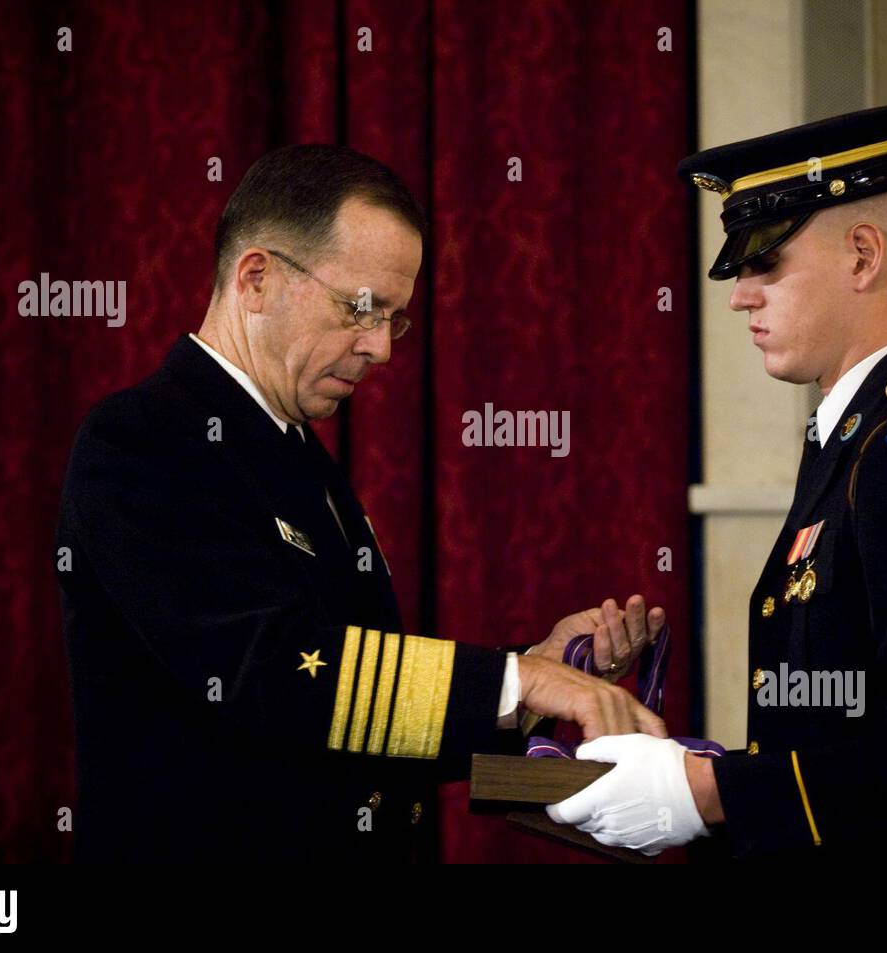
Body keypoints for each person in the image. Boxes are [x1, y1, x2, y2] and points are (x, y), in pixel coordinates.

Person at [56, 144, 666, 862]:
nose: (380, 347)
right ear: (256, 277)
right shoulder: (146, 438)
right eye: (361, 309)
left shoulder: (293, 450)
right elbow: (276, 673)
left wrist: (535, 673)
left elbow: (365, 708)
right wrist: (519, 679)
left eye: (395, 319)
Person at [547, 103, 887, 862]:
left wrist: (702, 792)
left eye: (764, 262)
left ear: (863, 256)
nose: (742, 294)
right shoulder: (854, 435)